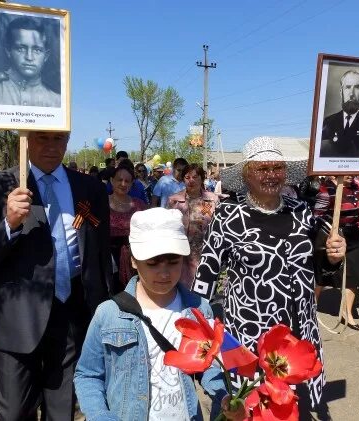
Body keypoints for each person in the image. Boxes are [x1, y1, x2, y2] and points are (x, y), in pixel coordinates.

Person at [0, 131, 113, 421]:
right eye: (42, 138)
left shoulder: (89, 188)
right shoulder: (2, 185)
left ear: (68, 141)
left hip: (72, 316)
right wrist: (9, 223)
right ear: (26, 139)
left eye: (58, 139)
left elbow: (99, 250)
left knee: (62, 411)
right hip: (17, 322)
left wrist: (105, 306)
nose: (51, 147)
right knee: (16, 413)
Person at [192, 136, 346, 410]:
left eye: (277, 168)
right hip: (252, 331)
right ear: (246, 175)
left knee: (293, 403)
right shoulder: (228, 215)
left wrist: (334, 257)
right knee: (254, 405)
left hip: (299, 328)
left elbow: (318, 266)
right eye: (262, 169)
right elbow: (207, 272)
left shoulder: (303, 212)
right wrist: (198, 320)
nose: (271, 175)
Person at [75, 208, 243, 421]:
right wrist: (100, 415)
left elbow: (209, 367)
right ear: (133, 260)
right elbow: (88, 375)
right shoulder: (109, 314)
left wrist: (225, 397)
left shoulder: (198, 309)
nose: (164, 273)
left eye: (173, 262)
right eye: (152, 263)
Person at [314, 175, 359, 330]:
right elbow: (316, 216)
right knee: (322, 275)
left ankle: (346, 312)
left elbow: (357, 212)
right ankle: (310, 307)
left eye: (354, 174)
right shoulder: (326, 190)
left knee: (354, 275)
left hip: (353, 237)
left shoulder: (356, 188)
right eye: (347, 174)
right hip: (330, 236)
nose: (351, 176)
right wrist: (332, 231)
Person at [0, 16, 61, 107]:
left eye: (37, 50)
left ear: (46, 56)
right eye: (21, 49)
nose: (29, 57)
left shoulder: (57, 101)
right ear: (8, 51)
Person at [167, 163, 219, 289]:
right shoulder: (175, 200)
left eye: (195, 177)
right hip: (182, 253)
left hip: (204, 253)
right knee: (183, 290)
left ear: (202, 178)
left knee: (203, 289)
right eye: (187, 177)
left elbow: (217, 225)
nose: (191, 181)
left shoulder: (211, 199)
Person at [108, 162, 147, 289]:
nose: (123, 184)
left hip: (135, 257)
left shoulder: (139, 205)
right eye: (119, 180)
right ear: (112, 181)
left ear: (132, 183)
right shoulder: (101, 202)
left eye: (127, 181)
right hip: (109, 258)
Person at [320, 70, 359, 158]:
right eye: (348, 87)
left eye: (356, 87)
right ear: (341, 92)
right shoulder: (328, 121)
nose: (351, 93)